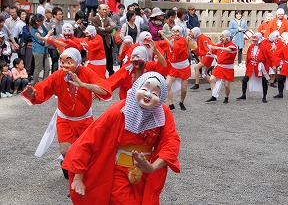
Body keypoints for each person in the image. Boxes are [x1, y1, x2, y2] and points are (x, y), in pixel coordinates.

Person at [62, 71, 180, 204]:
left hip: (145, 171)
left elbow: (171, 142)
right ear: (137, 86)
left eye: (155, 93)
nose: (148, 94)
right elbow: (90, 139)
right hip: (119, 172)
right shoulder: (119, 110)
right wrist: (78, 176)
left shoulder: (163, 113)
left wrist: (152, 167)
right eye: (145, 88)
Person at [21, 48, 112, 178]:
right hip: (65, 119)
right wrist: (33, 93)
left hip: (84, 119)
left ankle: (76, 170)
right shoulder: (57, 76)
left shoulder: (87, 72)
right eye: (62, 62)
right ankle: (71, 169)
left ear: (78, 62)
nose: (64, 65)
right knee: (65, 150)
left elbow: (104, 90)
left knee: (88, 150)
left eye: (68, 62)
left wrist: (83, 85)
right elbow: (42, 88)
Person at [159, 26, 190, 110]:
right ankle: (171, 103)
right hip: (173, 67)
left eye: (177, 31)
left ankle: (181, 102)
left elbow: (173, 46)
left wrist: (164, 36)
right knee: (167, 84)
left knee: (184, 89)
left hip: (184, 67)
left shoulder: (182, 40)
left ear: (180, 32)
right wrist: (151, 42)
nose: (175, 33)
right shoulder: (171, 39)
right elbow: (161, 44)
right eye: (173, 31)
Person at [205, 30, 237, 103]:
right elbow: (213, 50)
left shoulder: (232, 45)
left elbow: (228, 50)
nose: (221, 38)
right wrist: (208, 48)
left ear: (228, 38)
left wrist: (218, 48)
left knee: (226, 85)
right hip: (220, 66)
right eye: (221, 37)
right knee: (212, 79)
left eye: (223, 37)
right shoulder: (220, 44)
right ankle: (214, 95)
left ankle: (226, 97)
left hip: (228, 68)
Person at [236, 33, 269, 103]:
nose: (254, 41)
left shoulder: (264, 47)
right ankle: (243, 94)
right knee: (244, 80)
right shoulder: (251, 46)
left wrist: (267, 68)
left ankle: (264, 96)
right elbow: (248, 56)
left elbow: (267, 58)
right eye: (253, 40)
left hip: (260, 66)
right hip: (251, 66)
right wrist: (247, 65)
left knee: (264, 82)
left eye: (255, 40)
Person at [91, 4, 116, 77]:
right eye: (103, 9)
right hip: (99, 42)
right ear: (99, 10)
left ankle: (111, 75)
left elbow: (111, 29)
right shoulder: (94, 19)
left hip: (107, 41)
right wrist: (106, 29)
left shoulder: (108, 19)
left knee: (109, 58)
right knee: (102, 59)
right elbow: (96, 30)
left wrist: (104, 29)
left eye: (106, 9)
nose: (105, 11)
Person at [30, 14, 50, 85]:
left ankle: (45, 83)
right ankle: (35, 84)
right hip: (38, 51)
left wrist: (50, 32)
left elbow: (47, 33)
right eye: (41, 21)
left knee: (47, 68)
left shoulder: (42, 26)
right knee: (38, 68)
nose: (42, 22)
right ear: (37, 21)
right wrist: (47, 35)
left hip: (45, 50)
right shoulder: (34, 31)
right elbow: (41, 41)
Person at [46, 7, 64, 73]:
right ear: (54, 15)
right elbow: (50, 36)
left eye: (61, 14)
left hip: (59, 45)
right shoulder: (52, 25)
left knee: (57, 63)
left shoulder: (61, 23)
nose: (61, 16)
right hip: (53, 47)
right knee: (55, 64)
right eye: (59, 14)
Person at [21, 13, 35, 79]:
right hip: (28, 47)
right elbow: (27, 36)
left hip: (36, 47)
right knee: (28, 64)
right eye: (31, 18)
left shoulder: (36, 27)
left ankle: (33, 76)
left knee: (35, 64)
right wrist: (36, 36)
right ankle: (27, 77)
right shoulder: (25, 27)